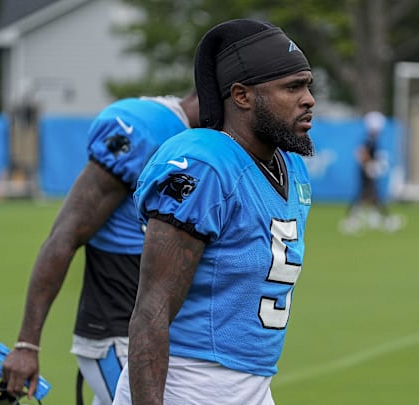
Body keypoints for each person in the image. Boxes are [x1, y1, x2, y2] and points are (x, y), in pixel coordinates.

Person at [111, 18, 315, 405]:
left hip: (251, 384)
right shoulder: (205, 164)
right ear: (241, 95)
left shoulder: (291, 166)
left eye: (307, 85)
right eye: (292, 87)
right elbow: (152, 307)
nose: (309, 99)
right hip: (189, 383)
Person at [0, 91, 199, 405]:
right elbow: (64, 235)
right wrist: (27, 345)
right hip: (117, 330)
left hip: (156, 331)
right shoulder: (144, 129)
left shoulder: (205, 142)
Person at [339, 110, 404, 234]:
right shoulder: (369, 139)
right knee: (367, 195)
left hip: (366, 171)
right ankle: (356, 220)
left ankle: (380, 219)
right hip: (366, 172)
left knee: (371, 196)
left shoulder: (370, 139)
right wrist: (370, 165)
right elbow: (362, 153)